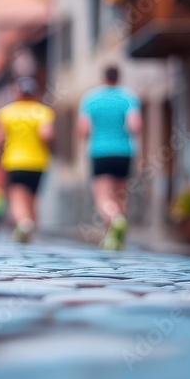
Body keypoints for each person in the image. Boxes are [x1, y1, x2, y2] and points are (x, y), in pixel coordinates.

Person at [78, 65, 142, 250]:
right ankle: (113, 239)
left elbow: (83, 129)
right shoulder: (128, 97)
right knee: (120, 196)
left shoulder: (91, 98)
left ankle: (115, 219)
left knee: (103, 197)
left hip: (100, 151)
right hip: (124, 151)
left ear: (104, 77)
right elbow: (135, 125)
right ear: (118, 77)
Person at [0, 77, 55, 244]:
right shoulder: (42, 111)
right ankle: (31, 230)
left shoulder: (6, 112)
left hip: (15, 161)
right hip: (38, 162)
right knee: (33, 198)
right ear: (34, 93)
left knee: (17, 196)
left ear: (17, 92)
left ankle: (24, 223)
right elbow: (46, 135)